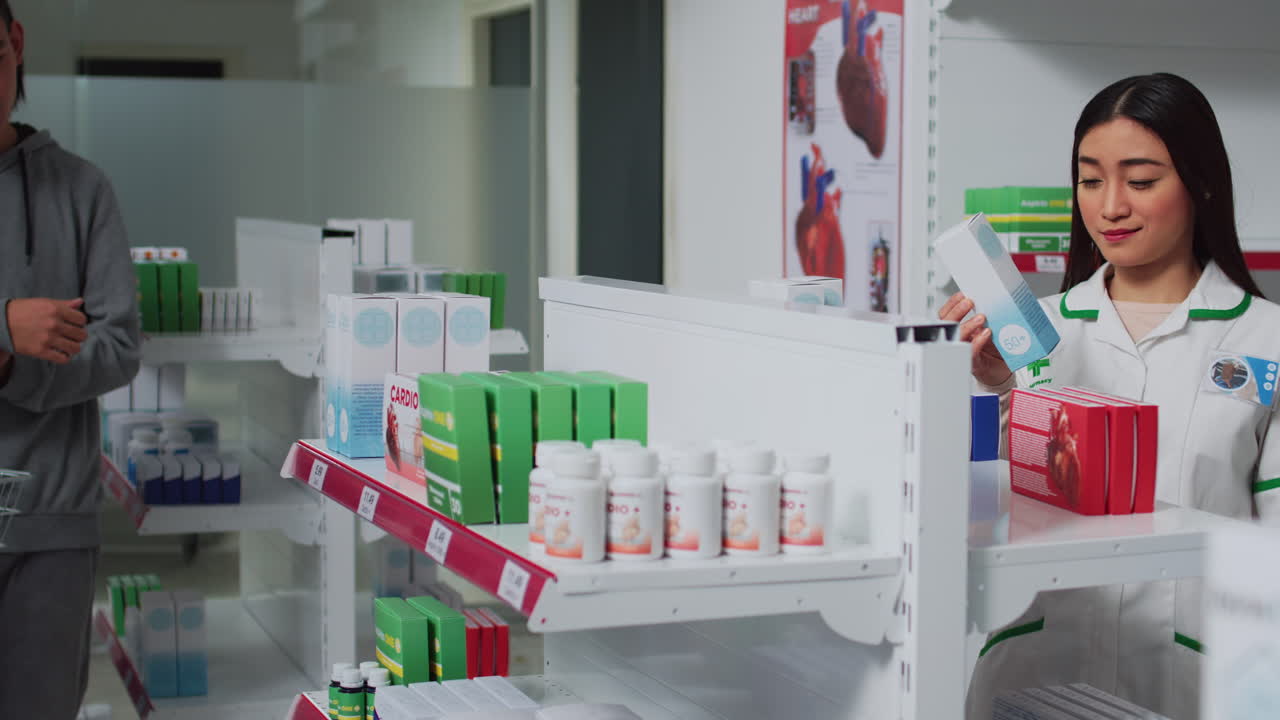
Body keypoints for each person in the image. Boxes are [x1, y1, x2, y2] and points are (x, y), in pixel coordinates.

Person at [943, 72, 1280, 719]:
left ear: (1203, 183)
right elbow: (976, 515)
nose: (1110, 207)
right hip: (1035, 668)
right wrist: (993, 386)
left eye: (1141, 180)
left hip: (1197, 681)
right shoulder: (1029, 335)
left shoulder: (1266, 340)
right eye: (1091, 180)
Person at [1, 2, 142, 717]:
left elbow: (117, 347)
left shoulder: (82, 190)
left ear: (15, 41)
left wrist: (12, 367)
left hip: (49, 525)